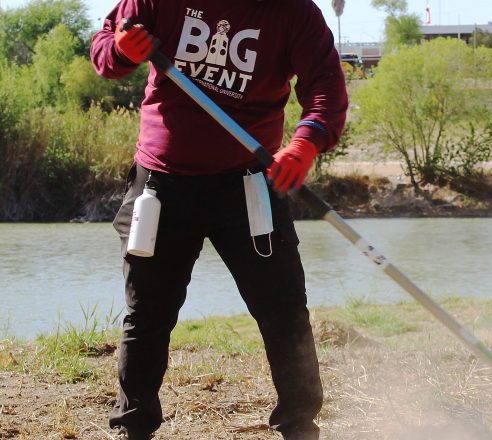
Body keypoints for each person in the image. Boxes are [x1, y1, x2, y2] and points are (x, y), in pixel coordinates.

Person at [90, 1, 347, 438]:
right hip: (162, 185)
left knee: (283, 310)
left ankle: (299, 427)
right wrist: (121, 50)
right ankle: (132, 428)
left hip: (249, 184)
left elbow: (325, 85)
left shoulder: (294, 12)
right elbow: (104, 50)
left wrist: (307, 141)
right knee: (147, 312)